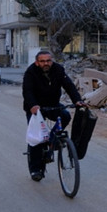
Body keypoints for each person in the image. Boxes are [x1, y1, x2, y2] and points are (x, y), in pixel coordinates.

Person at [23, 50, 84, 181]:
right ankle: (36, 169)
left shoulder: (58, 70)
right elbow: (27, 91)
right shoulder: (30, 72)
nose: (46, 63)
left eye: (48, 60)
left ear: (52, 61)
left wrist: (77, 100)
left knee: (65, 116)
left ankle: (52, 140)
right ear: (37, 62)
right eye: (42, 61)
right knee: (37, 138)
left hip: (53, 105)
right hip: (35, 108)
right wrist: (33, 105)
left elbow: (69, 86)